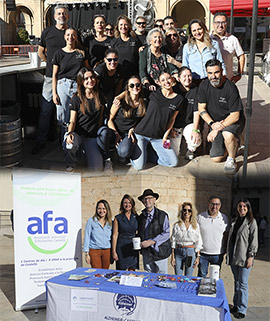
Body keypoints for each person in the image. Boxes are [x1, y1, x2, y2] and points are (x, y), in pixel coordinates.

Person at [32, 5, 69, 154]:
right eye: (59, 13)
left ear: (68, 16)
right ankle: (41, 141)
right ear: (54, 17)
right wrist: (50, 63)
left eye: (64, 13)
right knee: (46, 110)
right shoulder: (47, 32)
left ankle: (65, 143)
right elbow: (40, 51)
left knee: (65, 112)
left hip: (67, 78)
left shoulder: (71, 32)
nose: (61, 15)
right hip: (49, 77)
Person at [198, 59, 246, 173]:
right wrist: (212, 124)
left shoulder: (230, 88)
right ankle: (234, 143)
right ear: (206, 73)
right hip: (216, 123)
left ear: (222, 71)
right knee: (216, 158)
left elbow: (235, 116)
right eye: (210, 73)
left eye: (216, 72)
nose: (213, 76)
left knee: (227, 134)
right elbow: (201, 109)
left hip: (232, 121)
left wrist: (217, 128)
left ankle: (231, 159)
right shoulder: (204, 85)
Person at [131, 72, 184, 170]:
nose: (166, 82)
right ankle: (138, 155)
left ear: (173, 79)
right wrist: (119, 97)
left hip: (158, 137)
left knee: (173, 162)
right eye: (163, 80)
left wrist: (165, 136)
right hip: (141, 134)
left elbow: (172, 119)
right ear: (158, 83)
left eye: (168, 78)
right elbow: (133, 91)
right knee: (139, 167)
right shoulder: (153, 94)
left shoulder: (179, 99)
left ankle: (148, 155)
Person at [63, 68, 105, 172]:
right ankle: (71, 164)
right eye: (86, 78)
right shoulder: (76, 98)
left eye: (92, 77)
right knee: (70, 144)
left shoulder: (100, 96)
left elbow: (100, 119)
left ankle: (83, 153)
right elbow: (72, 120)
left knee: (97, 168)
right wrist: (70, 133)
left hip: (91, 137)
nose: (90, 80)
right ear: (81, 81)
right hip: (78, 134)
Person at [52, 27, 89, 138]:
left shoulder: (81, 53)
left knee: (76, 112)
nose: (70, 37)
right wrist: (54, 93)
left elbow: (87, 69)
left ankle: (74, 139)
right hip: (63, 85)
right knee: (63, 115)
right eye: (68, 35)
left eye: (73, 35)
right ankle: (65, 141)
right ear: (64, 37)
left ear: (76, 37)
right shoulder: (58, 54)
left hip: (77, 85)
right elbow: (54, 75)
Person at [227, 199, 258, 319]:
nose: (242, 208)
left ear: (248, 208)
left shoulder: (251, 222)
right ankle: (236, 305)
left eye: (245, 206)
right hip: (235, 258)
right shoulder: (234, 221)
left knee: (243, 284)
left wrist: (251, 256)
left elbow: (253, 241)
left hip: (245, 258)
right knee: (237, 282)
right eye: (240, 206)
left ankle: (242, 309)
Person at [107, 75, 146, 161]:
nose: (135, 87)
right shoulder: (119, 102)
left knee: (124, 153)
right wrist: (116, 133)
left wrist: (134, 128)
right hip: (115, 130)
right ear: (127, 88)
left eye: (138, 85)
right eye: (131, 85)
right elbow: (109, 120)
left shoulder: (143, 102)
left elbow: (142, 120)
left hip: (128, 133)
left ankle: (123, 150)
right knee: (122, 153)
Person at [170, 66, 201, 159]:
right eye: (184, 76)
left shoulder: (196, 91)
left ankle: (190, 150)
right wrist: (170, 128)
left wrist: (195, 130)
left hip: (189, 123)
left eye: (189, 76)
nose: (187, 78)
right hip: (176, 126)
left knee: (195, 141)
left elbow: (197, 112)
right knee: (174, 155)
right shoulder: (174, 90)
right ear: (178, 78)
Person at [137, 189, 171, 273]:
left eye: (149, 198)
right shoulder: (141, 217)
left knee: (161, 278)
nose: (147, 201)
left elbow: (166, 233)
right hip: (147, 253)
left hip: (160, 252)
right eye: (145, 199)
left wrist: (152, 241)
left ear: (154, 199)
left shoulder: (162, 215)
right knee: (148, 276)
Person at [182, 19, 225, 84]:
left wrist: (224, 77)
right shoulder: (187, 47)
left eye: (199, 29)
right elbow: (185, 66)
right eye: (194, 30)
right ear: (191, 33)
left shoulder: (214, 44)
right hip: (194, 81)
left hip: (211, 80)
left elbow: (220, 62)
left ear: (204, 29)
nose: (197, 32)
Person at [197, 195, 229, 277]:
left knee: (215, 277)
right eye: (212, 204)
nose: (215, 206)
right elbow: (196, 235)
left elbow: (226, 234)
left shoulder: (224, 218)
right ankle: (201, 290)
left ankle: (214, 290)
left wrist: (225, 248)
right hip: (203, 254)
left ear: (220, 205)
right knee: (201, 276)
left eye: (217, 204)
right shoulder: (200, 217)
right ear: (208, 204)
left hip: (217, 254)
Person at [212, 12, 245, 84]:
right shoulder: (208, 39)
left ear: (226, 24)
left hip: (227, 79)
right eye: (217, 22)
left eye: (223, 22)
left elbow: (241, 56)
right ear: (213, 24)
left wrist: (239, 73)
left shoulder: (233, 39)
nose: (220, 25)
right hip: (210, 80)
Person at [171, 202, 202, 276]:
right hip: (178, 252)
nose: (186, 212)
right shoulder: (177, 225)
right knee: (178, 276)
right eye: (185, 210)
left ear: (192, 213)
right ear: (182, 212)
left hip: (190, 252)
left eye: (189, 210)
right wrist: (172, 257)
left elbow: (198, 241)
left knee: (188, 276)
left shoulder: (195, 226)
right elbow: (173, 241)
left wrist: (198, 257)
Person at [112, 194, 139, 270]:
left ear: (132, 204)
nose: (127, 205)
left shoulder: (137, 217)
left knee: (132, 271)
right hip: (121, 246)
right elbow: (115, 235)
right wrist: (114, 252)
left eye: (129, 203)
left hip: (132, 246)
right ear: (122, 204)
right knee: (121, 272)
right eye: (125, 203)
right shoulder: (118, 218)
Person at [83, 200, 112, 269]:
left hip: (107, 251)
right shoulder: (91, 221)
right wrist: (86, 254)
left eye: (104, 208)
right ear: (96, 209)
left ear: (107, 209)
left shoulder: (110, 222)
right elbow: (87, 237)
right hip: (94, 251)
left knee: (105, 273)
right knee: (97, 273)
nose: (101, 211)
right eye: (99, 208)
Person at [94, 48, 125, 113]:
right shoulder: (100, 70)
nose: (113, 62)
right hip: (98, 90)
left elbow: (119, 85)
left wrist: (116, 98)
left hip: (110, 90)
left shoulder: (120, 69)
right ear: (105, 60)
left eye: (115, 59)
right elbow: (94, 85)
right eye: (109, 60)